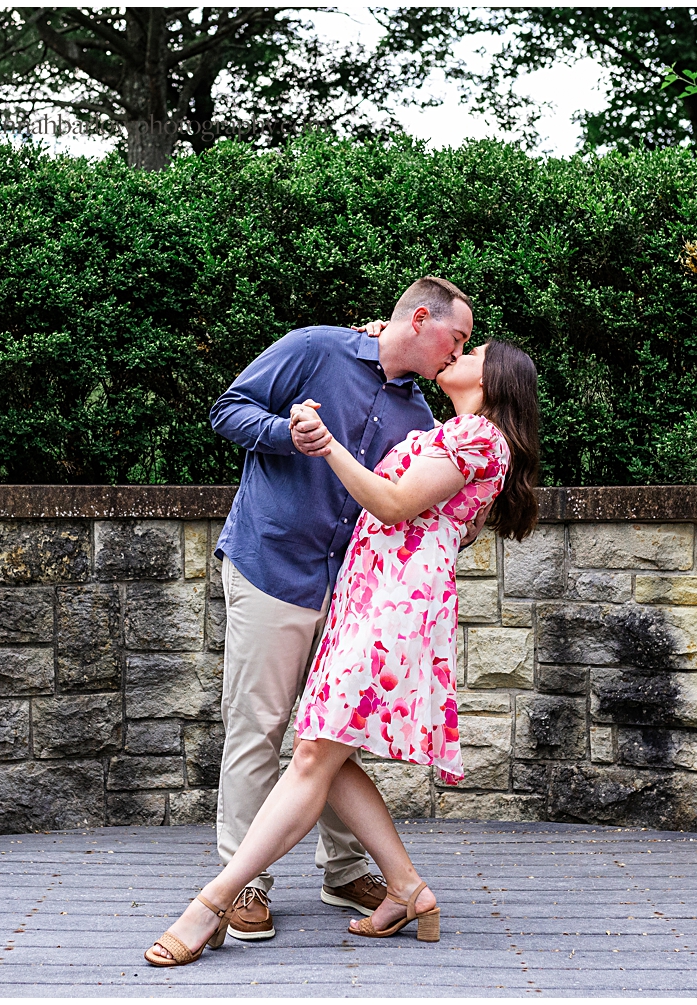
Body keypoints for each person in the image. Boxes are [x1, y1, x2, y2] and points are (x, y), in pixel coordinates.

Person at [146, 338, 542, 966]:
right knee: (320, 747)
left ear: (494, 380)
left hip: (392, 609)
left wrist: (327, 443)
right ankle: (408, 888)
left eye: (472, 351)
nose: (458, 355)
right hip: (366, 598)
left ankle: (213, 901)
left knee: (310, 756)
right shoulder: (456, 428)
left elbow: (392, 504)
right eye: (459, 341)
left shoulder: (477, 438)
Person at [204, 277, 475, 942]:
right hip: (271, 567)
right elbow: (226, 409)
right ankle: (243, 885)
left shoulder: (424, 420)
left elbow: (413, 502)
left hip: (353, 593)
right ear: (421, 319)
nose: (458, 351)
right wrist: (283, 433)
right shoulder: (315, 348)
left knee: (331, 735)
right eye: (458, 338)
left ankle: (344, 869)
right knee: (258, 726)